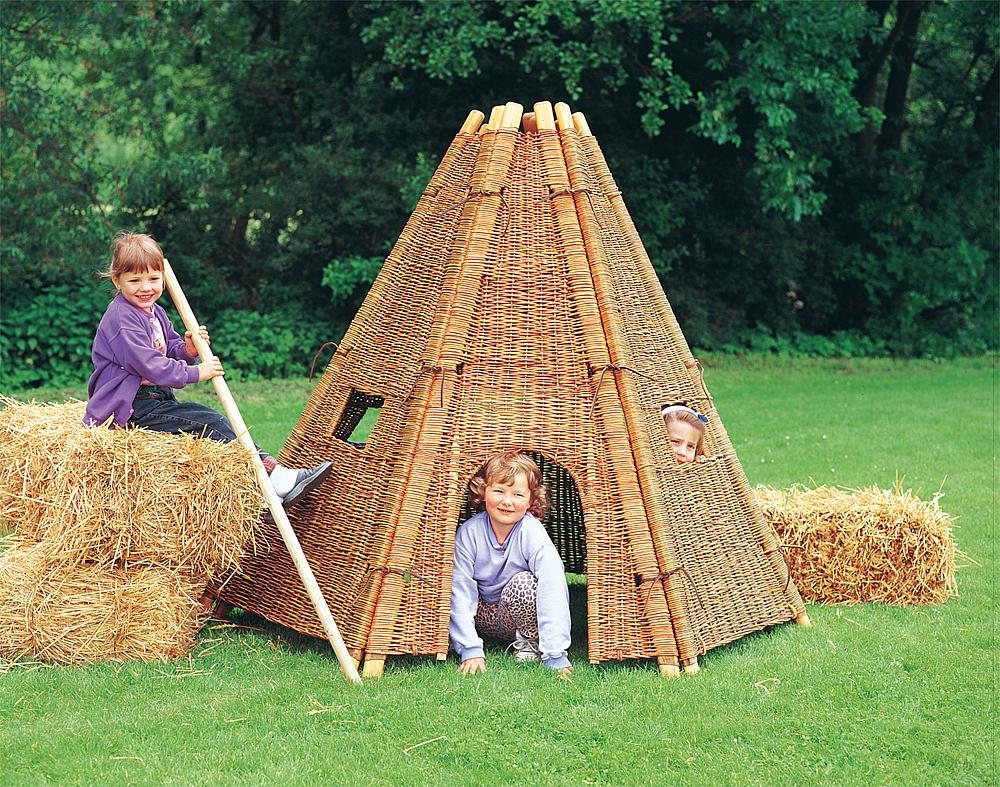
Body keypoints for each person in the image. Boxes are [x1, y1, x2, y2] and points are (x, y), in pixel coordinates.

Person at [83, 231, 331, 510]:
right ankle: (275, 477)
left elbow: (169, 348)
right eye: (135, 280)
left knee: (210, 432)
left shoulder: (154, 312)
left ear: (163, 277)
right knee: (210, 423)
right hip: (130, 407)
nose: (146, 287)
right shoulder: (121, 319)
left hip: (156, 398)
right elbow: (150, 364)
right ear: (117, 280)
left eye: (153, 278)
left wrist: (188, 350)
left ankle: (258, 494)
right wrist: (197, 372)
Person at [450, 451, 572, 675]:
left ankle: (528, 642)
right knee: (454, 588)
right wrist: (469, 648)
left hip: (516, 618)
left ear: (531, 500)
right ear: (483, 492)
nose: (507, 501)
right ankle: (465, 638)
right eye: (499, 491)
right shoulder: (469, 533)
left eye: (517, 494)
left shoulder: (531, 532)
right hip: (481, 615)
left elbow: (552, 583)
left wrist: (555, 652)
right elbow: (460, 588)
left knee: (525, 583)